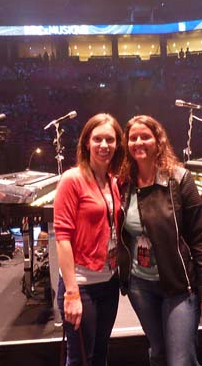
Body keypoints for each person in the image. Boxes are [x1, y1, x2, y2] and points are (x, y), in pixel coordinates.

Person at [118, 115, 202, 366]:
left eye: (145, 136)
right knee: (158, 352)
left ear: (158, 141)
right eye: (133, 137)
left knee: (180, 360)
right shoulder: (123, 182)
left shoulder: (180, 180)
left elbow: (201, 238)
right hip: (141, 286)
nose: (139, 142)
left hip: (178, 286)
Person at [54, 113, 124, 366]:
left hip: (109, 282)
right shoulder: (72, 180)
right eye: (97, 139)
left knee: (100, 354)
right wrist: (71, 292)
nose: (104, 145)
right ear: (86, 143)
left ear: (117, 144)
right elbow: (62, 237)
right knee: (81, 358)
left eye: (110, 139)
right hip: (81, 285)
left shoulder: (113, 182)